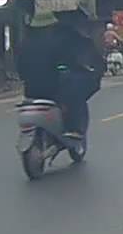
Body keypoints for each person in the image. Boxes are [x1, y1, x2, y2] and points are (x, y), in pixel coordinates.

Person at [18, 10, 102, 138]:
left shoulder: (25, 43)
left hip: (30, 91)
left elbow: (19, 69)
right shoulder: (59, 40)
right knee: (76, 94)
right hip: (54, 88)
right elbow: (70, 61)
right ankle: (76, 129)